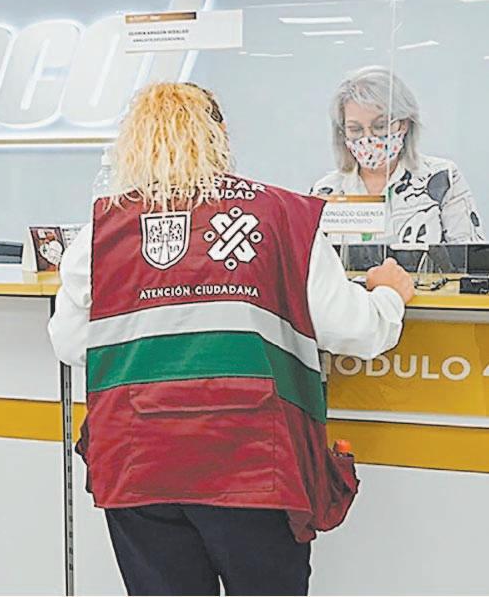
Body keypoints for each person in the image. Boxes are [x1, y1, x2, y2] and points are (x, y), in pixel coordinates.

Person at [48, 82, 414, 596]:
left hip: (136, 461)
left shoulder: (101, 232)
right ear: (219, 134)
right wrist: (390, 295)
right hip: (249, 462)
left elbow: (70, 346)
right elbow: (355, 329)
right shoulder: (280, 215)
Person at [312, 66, 485, 243]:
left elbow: (469, 253)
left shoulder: (442, 178)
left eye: (380, 126)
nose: (368, 138)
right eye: (355, 129)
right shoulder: (326, 190)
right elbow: (313, 255)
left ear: (404, 124)